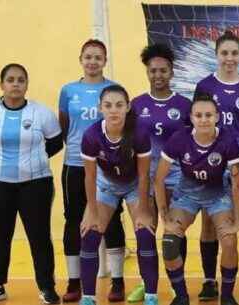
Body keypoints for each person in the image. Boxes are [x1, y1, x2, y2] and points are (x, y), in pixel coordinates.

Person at [0, 63, 63, 305]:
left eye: (21, 80)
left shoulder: (42, 114)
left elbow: (54, 144)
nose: (15, 84)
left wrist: (28, 164)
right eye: (10, 80)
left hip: (36, 185)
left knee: (40, 237)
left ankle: (46, 287)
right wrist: (5, 165)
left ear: (26, 85)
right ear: (2, 84)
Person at [155, 94, 239, 305]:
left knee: (230, 241)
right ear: (191, 118)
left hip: (217, 195)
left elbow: (238, 184)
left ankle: (227, 296)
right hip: (187, 194)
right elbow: (158, 179)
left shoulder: (228, 140)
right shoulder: (179, 138)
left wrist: (238, 222)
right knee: (169, 243)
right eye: (198, 115)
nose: (203, 119)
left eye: (208, 115)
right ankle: (182, 296)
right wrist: (164, 217)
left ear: (217, 117)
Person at [58, 39, 128, 303]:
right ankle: (74, 281)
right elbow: (65, 126)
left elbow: (121, 124)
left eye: (98, 57)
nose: (93, 61)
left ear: (105, 61)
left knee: (110, 219)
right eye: (88, 57)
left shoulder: (112, 89)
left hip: (108, 165)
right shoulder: (68, 90)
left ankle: (118, 281)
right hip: (75, 163)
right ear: (81, 59)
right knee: (74, 219)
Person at [193, 30, 239, 300]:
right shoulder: (205, 86)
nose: (229, 58)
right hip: (212, 164)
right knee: (210, 224)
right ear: (216, 55)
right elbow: (195, 125)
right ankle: (210, 281)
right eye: (224, 53)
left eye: (234, 53)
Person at [78, 85, 160, 305]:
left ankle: (151, 295)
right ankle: (88, 297)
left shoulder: (139, 133)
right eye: (108, 105)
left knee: (145, 233)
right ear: (100, 108)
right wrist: (92, 212)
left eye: (119, 105)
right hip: (106, 186)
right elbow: (89, 177)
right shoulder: (92, 135)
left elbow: (144, 175)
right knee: (90, 233)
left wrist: (143, 210)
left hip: (135, 185)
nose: (113, 110)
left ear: (127, 107)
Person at [125, 43, 193, 303]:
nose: (158, 75)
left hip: (177, 178)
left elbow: (192, 143)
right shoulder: (136, 104)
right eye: (153, 71)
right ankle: (147, 283)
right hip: (144, 178)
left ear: (172, 72)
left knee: (174, 233)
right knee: (145, 232)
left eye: (163, 70)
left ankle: (179, 286)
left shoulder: (184, 105)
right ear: (147, 73)